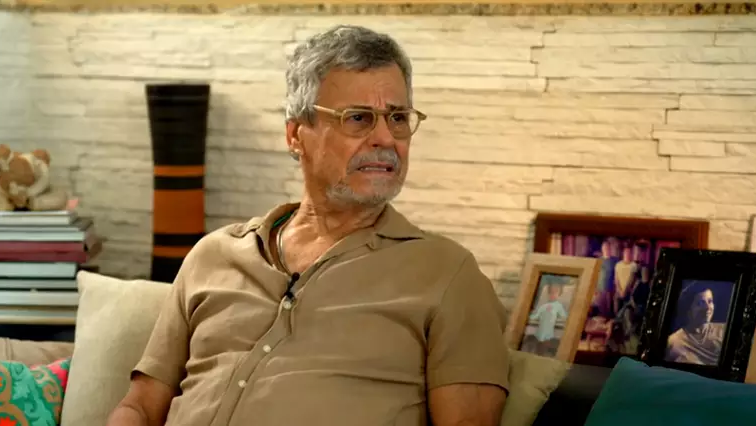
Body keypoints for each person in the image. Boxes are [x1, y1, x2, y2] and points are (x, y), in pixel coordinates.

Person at [106, 25, 510, 426]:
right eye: (358, 118)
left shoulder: (447, 275)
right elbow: (141, 406)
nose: (386, 138)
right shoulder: (214, 255)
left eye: (398, 117)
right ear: (296, 135)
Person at [664, 282, 726, 366]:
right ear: (688, 308)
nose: (707, 307)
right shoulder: (674, 342)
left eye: (710, 301)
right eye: (700, 303)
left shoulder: (724, 330)